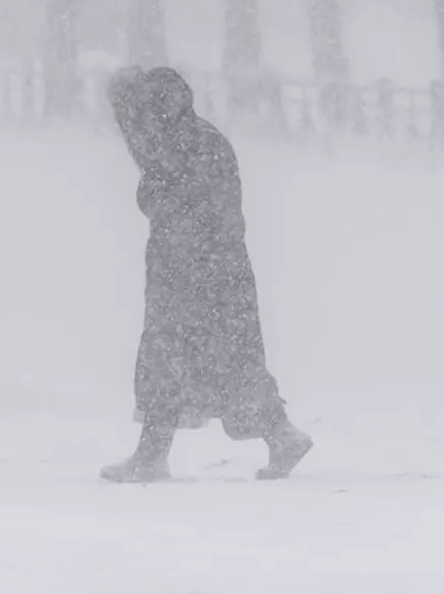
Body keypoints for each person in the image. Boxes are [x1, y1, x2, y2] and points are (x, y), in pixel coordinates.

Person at [101, 66, 313, 483]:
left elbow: (175, 204)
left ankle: (154, 455)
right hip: (211, 272)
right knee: (225, 358)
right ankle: (277, 434)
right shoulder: (194, 140)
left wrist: (180, 236)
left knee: (174, 357)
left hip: (193, 273)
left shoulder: (185, 147)